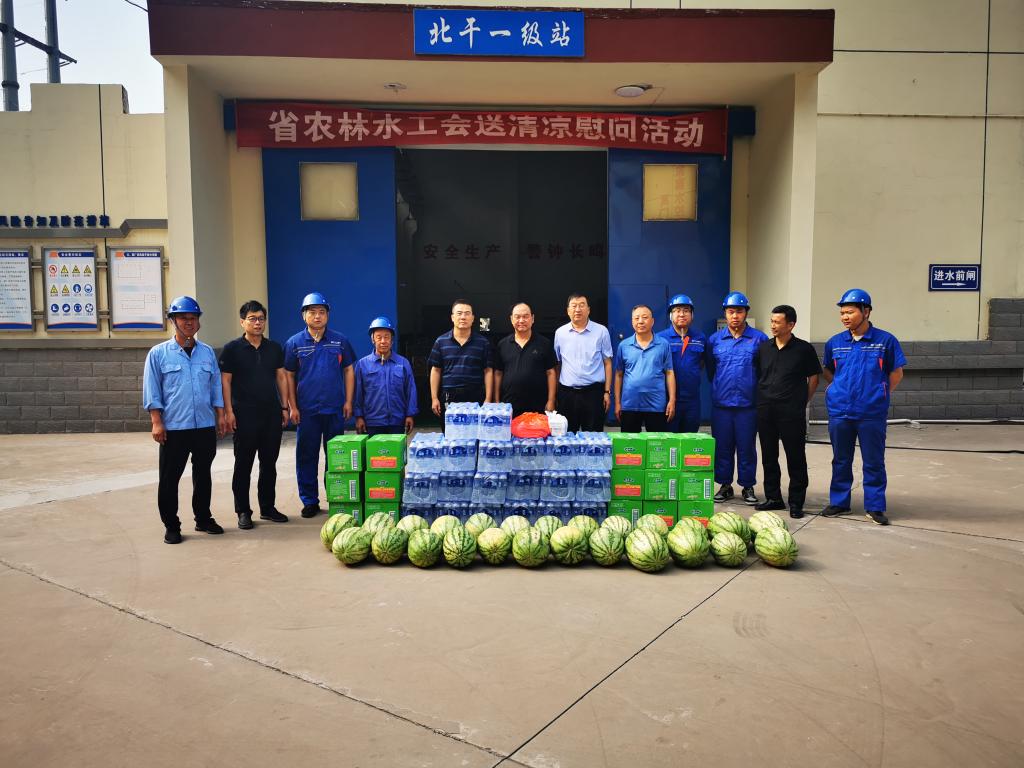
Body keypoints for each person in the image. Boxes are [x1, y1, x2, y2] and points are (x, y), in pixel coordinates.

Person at [142, 296, 227, 544]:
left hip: (204, 426)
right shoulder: (158, 354)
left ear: (199, 321)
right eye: (183, 318)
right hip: (174, 427)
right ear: (173, 321)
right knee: (170, 478)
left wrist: (220, 415)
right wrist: (156, 421)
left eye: (193, 318)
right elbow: (152, 390)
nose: (189, 322)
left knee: (203, 475)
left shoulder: (207, 352)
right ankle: (171, 525)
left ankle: (203, 518)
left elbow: (215, 387)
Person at [821, 289, 906, 525]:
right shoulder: (835, 342)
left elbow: (896, 373)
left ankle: (875, 506)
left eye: (850, 312)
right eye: (842, 313)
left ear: (866, 311)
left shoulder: (885, 341)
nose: (845, 317)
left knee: (873, 461)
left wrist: (879, 392)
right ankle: (840, 502)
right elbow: (828, 370)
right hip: (840, 411)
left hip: (871, 413)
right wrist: (838, 388)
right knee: (840, 459)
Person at [283, 292, 356, 519]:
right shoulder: (294, 343)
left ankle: (335, 496)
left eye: (322, 312)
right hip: (307, 411)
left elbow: (349, 370)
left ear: (327, 315)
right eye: (312, 312)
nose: (317, 316)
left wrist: (348, 401)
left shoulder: (339, 341)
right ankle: (309, 501)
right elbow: (288, 375)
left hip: (334, 408)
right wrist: (293, 406)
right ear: (304, 315)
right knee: (306, 456)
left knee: (336, 457)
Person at [219, 300, 290, 530]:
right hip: (244, 414)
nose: (257, 323)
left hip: (271, 414)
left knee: (269, 463)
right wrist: (228, 411)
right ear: (242, 322)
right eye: (252, 318)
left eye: (261, 318)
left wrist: (285, 407)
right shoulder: (232, 349)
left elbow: (281, 377)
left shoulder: (274, 348)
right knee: (244, 464)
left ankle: (267, 507)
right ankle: (243, 511)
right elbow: (225, 381)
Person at [753, 305, 822, 519]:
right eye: (772, 321)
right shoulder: (764, 348)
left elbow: (814, 378)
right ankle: (773, 498)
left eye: (777, 322)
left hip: (791, 412)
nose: (773, 325)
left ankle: (796, 502)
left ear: (790, 325)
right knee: (769, 456)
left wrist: (802, 402)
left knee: (796, 457)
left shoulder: (804, 349)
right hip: (766, 410)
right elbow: (759, 375)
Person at [706, 291, 768, 505]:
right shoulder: (714, 340)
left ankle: (748, 485)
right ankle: (725, 485)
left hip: (748, 405)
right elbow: (711, 371)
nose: (735, 316)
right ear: (725, 313)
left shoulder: (759, 339)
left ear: (746, 313)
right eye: (731, 312)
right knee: (722, 447)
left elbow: (763, 371)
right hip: (721, 405)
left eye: (739, 311)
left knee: (746, 447)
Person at [553, 293, 614, 432]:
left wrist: (607, 392)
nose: (577, 309)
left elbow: (608, 363)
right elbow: (558, 364)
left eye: (582, 305)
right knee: (566, 437)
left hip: (593, 393)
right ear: (568, 311)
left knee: (594, 437)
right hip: (567, 394)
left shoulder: (601, 331)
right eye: (574, 306)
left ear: (588, 310)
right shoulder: (560, 333)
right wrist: (556, 393)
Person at [614, 304, 676, 432]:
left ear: (652, 321)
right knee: (630, 443)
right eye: (636, 318)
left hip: (656, 405)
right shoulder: (624, 346)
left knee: (657, 444)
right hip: (629, 405)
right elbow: (619, 375)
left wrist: (672, 400)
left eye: (645, 317)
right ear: (632, 322)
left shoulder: (663, 344)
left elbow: (669, 373)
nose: (640, 321)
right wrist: (618, 403)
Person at [353, 316, 418, 435]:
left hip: (397, 422)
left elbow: (410, 390)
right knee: (373, 448)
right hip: (372, 423)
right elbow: (358, 393)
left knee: (396, 448)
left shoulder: (403, 363)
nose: (383, 341)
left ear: (392, 340)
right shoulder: (362, 364)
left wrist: (410, 414)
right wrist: (359, 416)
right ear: (373, 339)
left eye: (387, 337)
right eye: (379, 337)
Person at [429, 299, 494, 414]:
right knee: (449, 426)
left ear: (473, 318)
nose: (463, 317)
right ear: (452, 317)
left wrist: (488, 399)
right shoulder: (441, 341)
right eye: (459, 313)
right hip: (449, 396)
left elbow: (488, 371)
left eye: (467, 313)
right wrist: (434, 398)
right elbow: (436, 370)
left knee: (474, 426)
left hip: (475, 396)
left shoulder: (483, 343)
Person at [493, 302, 557, 416]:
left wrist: (551, 400)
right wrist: (497, 401)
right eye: (517, 317)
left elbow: (551, 373)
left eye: (525, 316)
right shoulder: (502, 344)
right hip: (509, 406)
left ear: (532, 319)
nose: (521, 320)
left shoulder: (544, 343)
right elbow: (498, 373)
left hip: (538, 405)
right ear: (511, 319)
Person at [657, 293, 707, 433]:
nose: (681, 314)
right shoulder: (661, 338)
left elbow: (702, 362)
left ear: (692, 315)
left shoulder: (700, 337)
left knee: (690, 439)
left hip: (692, 400)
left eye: (686, 310)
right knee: (669, 439)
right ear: (670, 315)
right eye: (677, 310)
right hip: (668, 399)